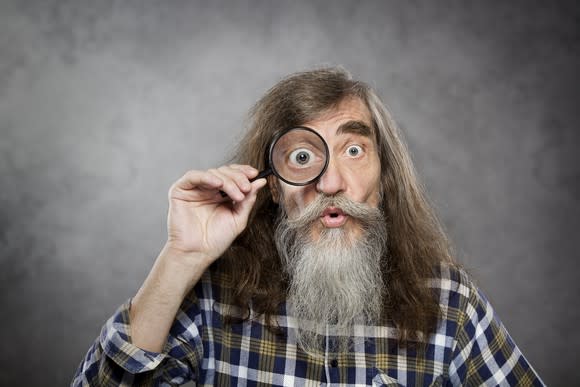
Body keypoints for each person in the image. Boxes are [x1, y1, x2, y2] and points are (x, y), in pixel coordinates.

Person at [72, 68, 544, 386]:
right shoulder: (211, 297)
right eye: (302, 158)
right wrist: (181, 259)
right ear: (274, 186)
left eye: (354, 151)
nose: (332, 183)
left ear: (385, 175)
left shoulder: (449, 304)